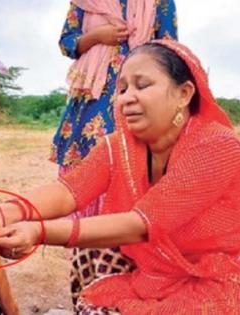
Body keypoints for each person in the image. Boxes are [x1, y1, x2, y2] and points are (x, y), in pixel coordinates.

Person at [0, 39, 240, 314]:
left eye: (142, 85)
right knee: (90, 250)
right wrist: (3, 215)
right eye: (121, 88)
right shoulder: (119, 146)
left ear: (184, 93)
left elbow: (142, 224)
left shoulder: (216, 147)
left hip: (218, 274)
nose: (126, 97)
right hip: (156, 270)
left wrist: (39, 232)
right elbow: (68, 192)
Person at [50, 0, 178, 306]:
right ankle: (87, 284)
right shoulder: (83, 2)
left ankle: (122, 286)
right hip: (91, 102)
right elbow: (67, 43)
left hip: (139, 105)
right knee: (85, 189)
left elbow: (171, 51)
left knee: (131, 190)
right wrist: (99, 35)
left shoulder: (160, 2)